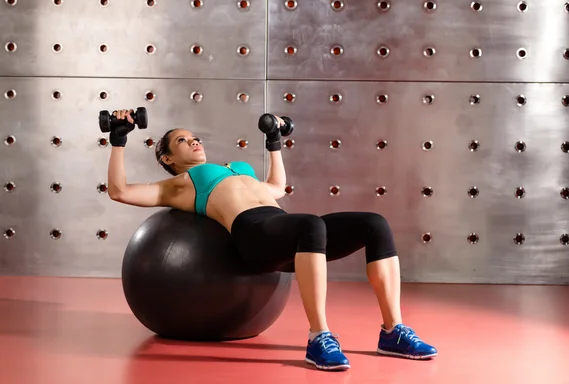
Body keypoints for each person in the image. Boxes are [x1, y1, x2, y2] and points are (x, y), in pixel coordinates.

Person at [106, 109, 437, 371]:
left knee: (374, 224)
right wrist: (118, 141)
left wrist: (274, 141)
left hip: (283, 227)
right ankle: (319, 336)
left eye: (194, 137)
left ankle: (393, 332)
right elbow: (120, 191)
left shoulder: (234, 169)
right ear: (167, 158)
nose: (194, 142)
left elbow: (276, 188)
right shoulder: (180, 183)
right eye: (182, 141)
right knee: (310, 225)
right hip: (253, 238)